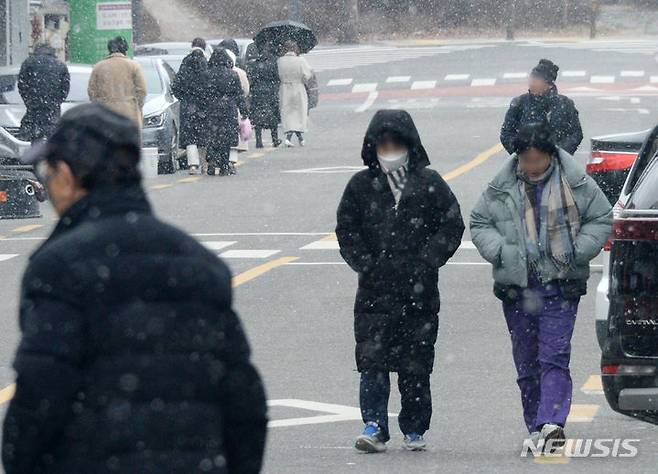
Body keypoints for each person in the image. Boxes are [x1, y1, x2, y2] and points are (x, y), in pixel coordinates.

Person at [1, 103, 268, 474]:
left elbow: (40, 396)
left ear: (66, 175)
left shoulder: (59, 267)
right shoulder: (201, 265)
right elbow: (244, 400)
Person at [470, 122, 612, 451]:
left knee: (554, 356)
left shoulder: (574, 182)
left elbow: (601, 216)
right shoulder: (501, 185)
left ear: (550, 155)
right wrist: (501, 252)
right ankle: (536, 423)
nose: (531, 166)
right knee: (527, 362)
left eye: (537, 159)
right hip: (517, 287)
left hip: (560, 284)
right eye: (525, 159)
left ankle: (552, 422)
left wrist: (577, 251)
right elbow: (479, 221)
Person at [336, 110, 465, 453]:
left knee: (415, 364)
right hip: (374, 292)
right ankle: (375, 424)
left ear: (409, 145)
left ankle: (415, 426)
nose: (390, 149)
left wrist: (427, 260)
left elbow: (452, 224)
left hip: (419, 292)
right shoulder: (360, 187)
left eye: (396, 143)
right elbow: (347, 230)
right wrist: (366, 264)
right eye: (383, 143)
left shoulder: (430, 183)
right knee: (373, 362)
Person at [500, 59, 583, 155]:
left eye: (537, 80)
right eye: (531, 78)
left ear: (549, 85)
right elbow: (507, 133)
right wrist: (523, 151)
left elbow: (576, 134)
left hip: (559, 160)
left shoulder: (565, 104)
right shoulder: (519, 103)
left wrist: (559, 153)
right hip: (525, 162)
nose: (532, 83)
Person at [205, 48, 247, 176]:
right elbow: (239, 94)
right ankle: (224, 165)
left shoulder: (207, 74)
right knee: (226, 139)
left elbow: (202, 94)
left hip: (212, 109)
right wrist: (244, 110)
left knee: (213, 137)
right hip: (228, 109)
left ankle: (212, 162)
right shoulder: (232, 74)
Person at [88, 36, 147, 127]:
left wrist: (99, 105)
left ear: (109, 50)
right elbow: (142, 90)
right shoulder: (134, 66)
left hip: (105, 115)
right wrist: (137, 105)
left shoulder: (98, 67)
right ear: (125, 50)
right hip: (129, 114)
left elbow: (92, 91)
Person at [17, 43, 70, 142]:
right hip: (52, 109)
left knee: (34, 138)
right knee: (54, 138)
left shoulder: (28, 63)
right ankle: (51, 154)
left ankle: (35, 153)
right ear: (52, 52)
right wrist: (56, 101)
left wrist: (29, 100)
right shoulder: (60, 65)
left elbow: (21, 85)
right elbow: (65, 88)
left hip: (33, 108)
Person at [172, 37, 209, 174]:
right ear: (204, 48)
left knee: (190, 135)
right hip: (203, 104)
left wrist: (183, 97)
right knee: (204, 134)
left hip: (188, 104)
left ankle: (193, 165)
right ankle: (205, 163)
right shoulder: (206, 62)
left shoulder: (185, 62)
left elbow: (176, 85)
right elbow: (210, 84)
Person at [277, 40, 313, 147]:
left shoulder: (280, 61)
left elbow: (278, 75)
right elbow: (307, 75)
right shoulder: (301, 61)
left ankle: (296, 137)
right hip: (298, 88)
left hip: (285, 89)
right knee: (298, 113)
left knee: (287, 113)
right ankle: (295, 138)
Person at [247, 43, 281, 148]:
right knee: (272, 115)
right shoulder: (273, 63)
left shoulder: (255, 64)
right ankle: (274, 139)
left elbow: (251, 79)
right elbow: (277, 78)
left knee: (257, 116)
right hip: (270, 92)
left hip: (257, 93)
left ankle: (259, 141)